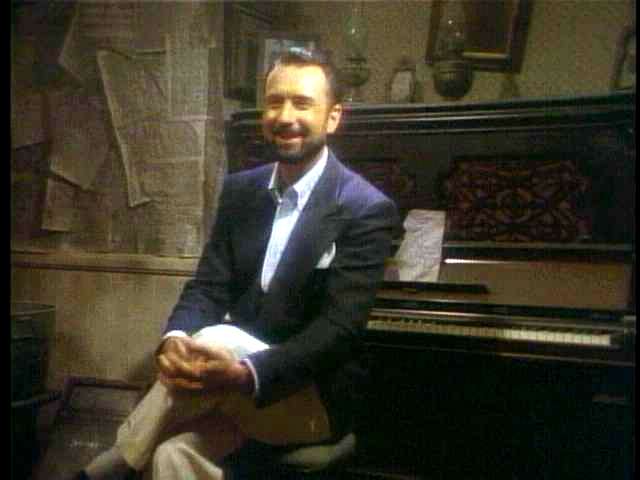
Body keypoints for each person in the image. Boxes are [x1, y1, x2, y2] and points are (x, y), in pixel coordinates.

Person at [75, 48, 399, 480]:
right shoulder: (240, 192)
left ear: (333, 117)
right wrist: (174, 340)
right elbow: (208, 286)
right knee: (172, 455)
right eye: (275, 102)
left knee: (218, 336)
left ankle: (108, 467)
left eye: (303, 103)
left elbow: (338, 331)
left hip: (312, 399)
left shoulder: (365, 208)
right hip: (231, 389)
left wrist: (245, 375)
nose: (285, 116)